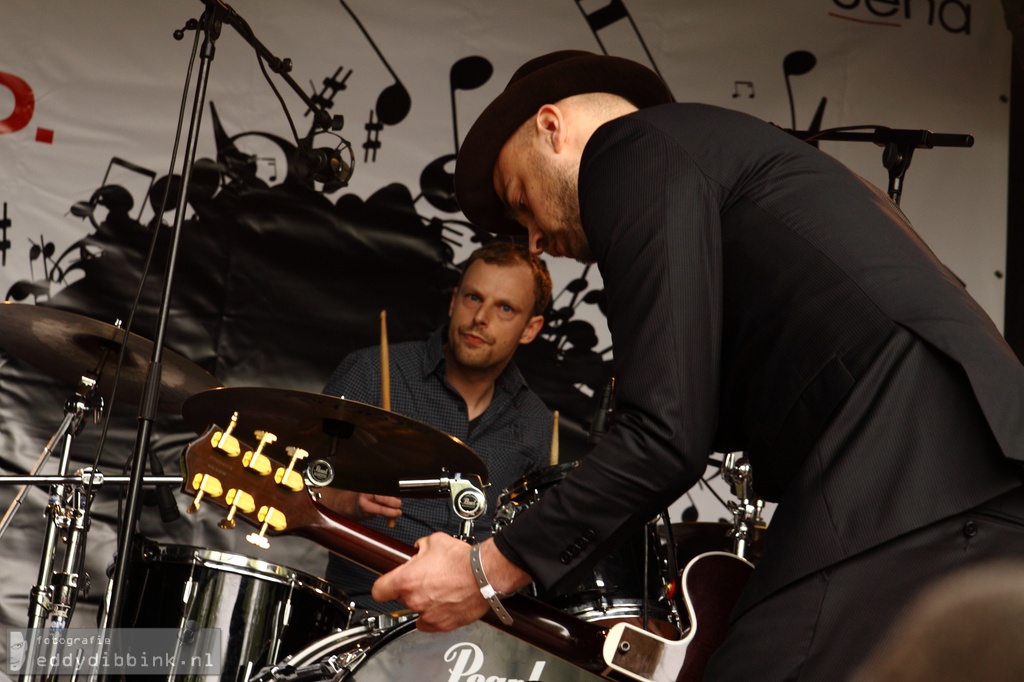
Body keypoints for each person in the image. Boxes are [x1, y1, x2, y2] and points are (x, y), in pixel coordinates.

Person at [370, 50, 1024, 680]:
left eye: (519, 201)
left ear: (552, 128)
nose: (535, 242)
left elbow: (663, 436)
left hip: (910, 462)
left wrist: (487, 569)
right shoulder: (702, 155)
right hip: (962, 456)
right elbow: (698, 414)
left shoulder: (628, 149)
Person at [321, 241, 554, 612]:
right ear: (453, 301)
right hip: (363, 615)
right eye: (473, 298)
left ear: (530, 328)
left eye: (505, 308)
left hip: (471, 641)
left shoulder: (535, 424)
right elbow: (297, 484)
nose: (481, 317)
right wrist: (348, 499)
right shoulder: (371, 371)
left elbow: (531, 551)